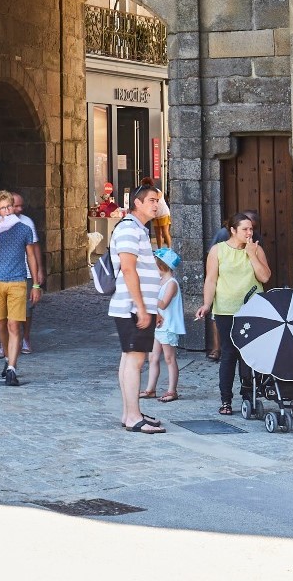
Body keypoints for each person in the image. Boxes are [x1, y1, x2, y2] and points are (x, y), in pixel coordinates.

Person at [194, 211, 272, 416]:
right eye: (245, 229)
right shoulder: (218, 251)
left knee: (248, 355)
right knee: (229, 353)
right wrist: (206, 304)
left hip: (252, 310)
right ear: (233, 230)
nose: (249, 232)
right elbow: (211, 280)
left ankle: (249, 397)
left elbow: (264, 277)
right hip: (226, 310)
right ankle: (226, 400)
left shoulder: (256, 249)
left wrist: (252, 255)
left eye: (251, 229)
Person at [109, 184, 165, 433]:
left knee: (129, 360)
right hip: (132, 307)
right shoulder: (130, 229)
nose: (156, 204)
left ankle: (129, 412)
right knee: (135, 361)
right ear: (137, 203)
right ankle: (132, 416)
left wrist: (152, 308)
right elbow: (129, 269)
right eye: (152, 200)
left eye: (158, 200)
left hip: (137, 306)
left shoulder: (138, 229)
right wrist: (142, 308)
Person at [0, 190, 39, 386]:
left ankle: (12, 368)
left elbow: (31, 256)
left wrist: (36, 284)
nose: (7, 211)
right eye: (2, 208)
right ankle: (6, 358)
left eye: (9, 206)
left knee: (14, 325)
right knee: (1, 324)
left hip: (17, 282)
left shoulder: (24, 229)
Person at [140, 247, 184, 403]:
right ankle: (150, 389)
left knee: (169, 358)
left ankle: (172, 390)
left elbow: (163, 304)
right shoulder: (160, 281)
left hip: (168, 325)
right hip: (158, 326)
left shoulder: (171, 283)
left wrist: (149, 296)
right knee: (153, 357)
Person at [9, 192, 40, 355]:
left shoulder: (27, 223)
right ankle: (7, 341)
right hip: (6, 274)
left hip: (26, 273)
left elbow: (34, 249)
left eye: (22, 205)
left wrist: (38, 273)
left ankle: (25, 337)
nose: (20, 209)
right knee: (6, 311)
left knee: (27, 310)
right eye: (16, 206)